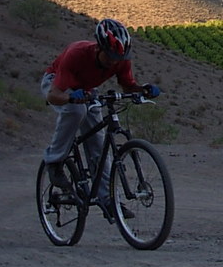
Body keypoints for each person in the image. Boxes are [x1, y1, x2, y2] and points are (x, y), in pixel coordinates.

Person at [41, 18, 160, 218]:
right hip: (57, 84)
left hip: (87, 91)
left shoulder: (121, 59)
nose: (113, 62)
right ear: (99, 48)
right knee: (76, 111)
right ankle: (54, 162)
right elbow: (53, 94)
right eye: (110, 57)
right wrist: (71, 97)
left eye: (117, 58)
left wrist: (144, 90)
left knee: (98, 144)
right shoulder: (76, 54)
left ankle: (108, 200)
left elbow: (128, 85)